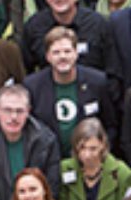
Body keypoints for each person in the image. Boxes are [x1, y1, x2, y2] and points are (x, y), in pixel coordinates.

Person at [24, 27, 119, 158]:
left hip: (90, 161)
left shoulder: (97, 81)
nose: (62, 57)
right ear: (47, 56)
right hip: (48, 160)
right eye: (56, 52)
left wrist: (99, 154)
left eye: (67, 51)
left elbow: (110, 125)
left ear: (76, 53)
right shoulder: (32, 85)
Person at [21, 0, 122, 96]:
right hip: (49, 100)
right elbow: (26, 68)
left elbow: (113, 69)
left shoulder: (97, 24)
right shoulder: (34, 26)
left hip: (93, 99)